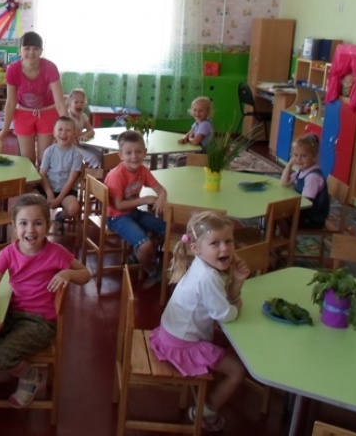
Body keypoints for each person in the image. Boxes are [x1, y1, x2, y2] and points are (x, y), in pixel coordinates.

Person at [0, 193, 91, 409]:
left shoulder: (57, 253)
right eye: (24, 223)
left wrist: (68, 273)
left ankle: (32, 377)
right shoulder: (8, 253)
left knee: (0, 357)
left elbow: (85, 274)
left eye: (38, 223)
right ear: (14, 225)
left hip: (41, 322)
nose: (30, 230)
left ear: (48, 226)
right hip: (12, 314)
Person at [149, 211, 249, 432]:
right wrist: (238, 304)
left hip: (171, 335)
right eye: (215, 243)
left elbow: (223, 302)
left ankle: (208, 393)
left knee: (231, 346)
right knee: (237, 372)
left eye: (229, 241)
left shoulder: (204, 265)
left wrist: (237, 282)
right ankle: (205, 412)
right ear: (196, 248)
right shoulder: (208, 276)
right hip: (182, 346)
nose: (225, 248)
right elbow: (225, 314)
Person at [0, 31, 68, 166]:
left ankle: (43, 179)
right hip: (24, 113)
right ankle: (30, 180)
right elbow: (11, 102)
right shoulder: (13, 70)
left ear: (41, 51)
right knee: (27, 159)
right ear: (20, 51)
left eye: (35, 48)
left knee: (44, 158)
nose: (31, 52)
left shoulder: (50, 68)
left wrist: (67, 126)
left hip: (47, 112)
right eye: (27, 48)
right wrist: (5, 128)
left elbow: (60, 103)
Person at [105, 130, 167, 277]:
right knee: (146, 244)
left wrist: (160, 198)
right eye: (128, 153)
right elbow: (119, 206)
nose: (134, 156)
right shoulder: (116, 175)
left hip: (133, 212)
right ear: (121, 155)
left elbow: (161, 190)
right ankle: (150, 270)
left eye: (138, 152)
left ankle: (138, 252)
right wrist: (145, 200)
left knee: (167, 230)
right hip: (116, 217)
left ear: (145, 152)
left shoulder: (143, 170)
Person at [38, 116, 83, 236]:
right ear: (54, 132)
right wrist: (49, 193)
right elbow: (42, 174)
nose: (63, 133)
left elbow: (71, 180)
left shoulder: (76, 154)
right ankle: (40, 224)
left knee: (73, 209)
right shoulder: (49, 151)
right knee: (32, 201)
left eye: (68, 130)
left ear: (74, 133)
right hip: (49, 187)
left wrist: (58, 200)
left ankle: (60, 217)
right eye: (60, 129)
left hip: (67, 190)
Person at [279, 133, 330, 234]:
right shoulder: (302, 171)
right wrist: (289, 165)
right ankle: (280, 238)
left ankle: (287, 239)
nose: (298, 159)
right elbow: (284, 183)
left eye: (304, 156)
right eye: (295, 155)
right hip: (304, 213)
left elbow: (305, 202)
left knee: (278, 215)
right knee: (276, 213)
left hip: (312, 219)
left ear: (314, 157)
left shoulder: (312, 177)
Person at [67, 87, 102, 169]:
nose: (79, 104)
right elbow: (70, 136)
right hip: (70, 147)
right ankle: (93, 175)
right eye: (76, 102)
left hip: (80, 144)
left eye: (82, 102)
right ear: (70, 104)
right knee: (93, 158)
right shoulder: (67, 117)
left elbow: (91, 131)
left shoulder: (83, 116)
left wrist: (85, 135)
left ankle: (102, 173)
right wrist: (82, 134)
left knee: (101, 154)